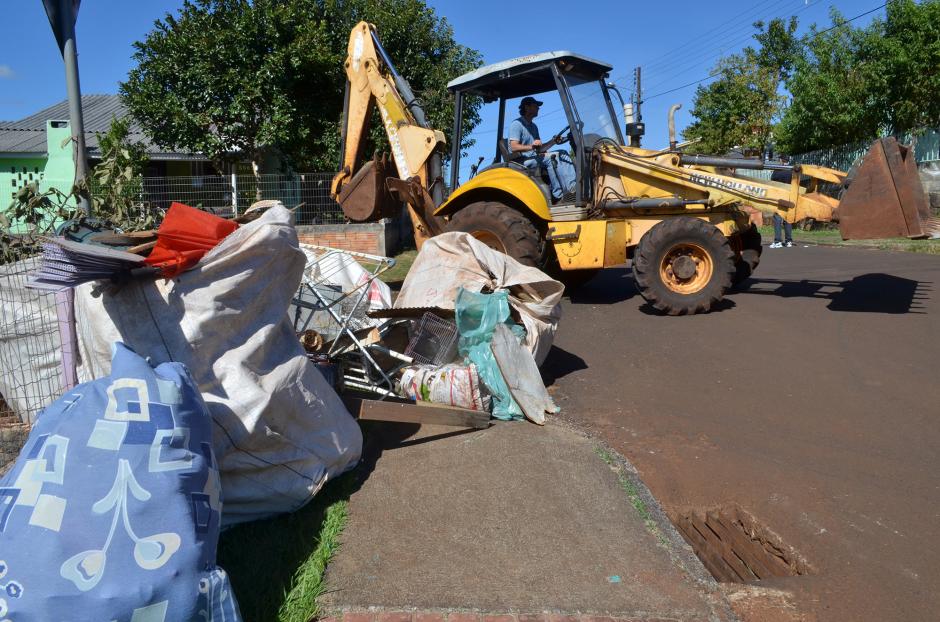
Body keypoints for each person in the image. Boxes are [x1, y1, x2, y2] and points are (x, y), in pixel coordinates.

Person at [507, 96, 576, 202]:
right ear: (527, 107)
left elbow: (540, 148)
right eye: (536, 106)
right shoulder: (517, 124)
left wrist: (553, 141)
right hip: (521, 162)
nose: (538, 108)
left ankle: (574, 188)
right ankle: (558, 195)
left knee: (562, 152)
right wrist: (532, 147)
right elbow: (513, 147)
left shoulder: (534, 126)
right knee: (551, 157)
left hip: (534, 157)